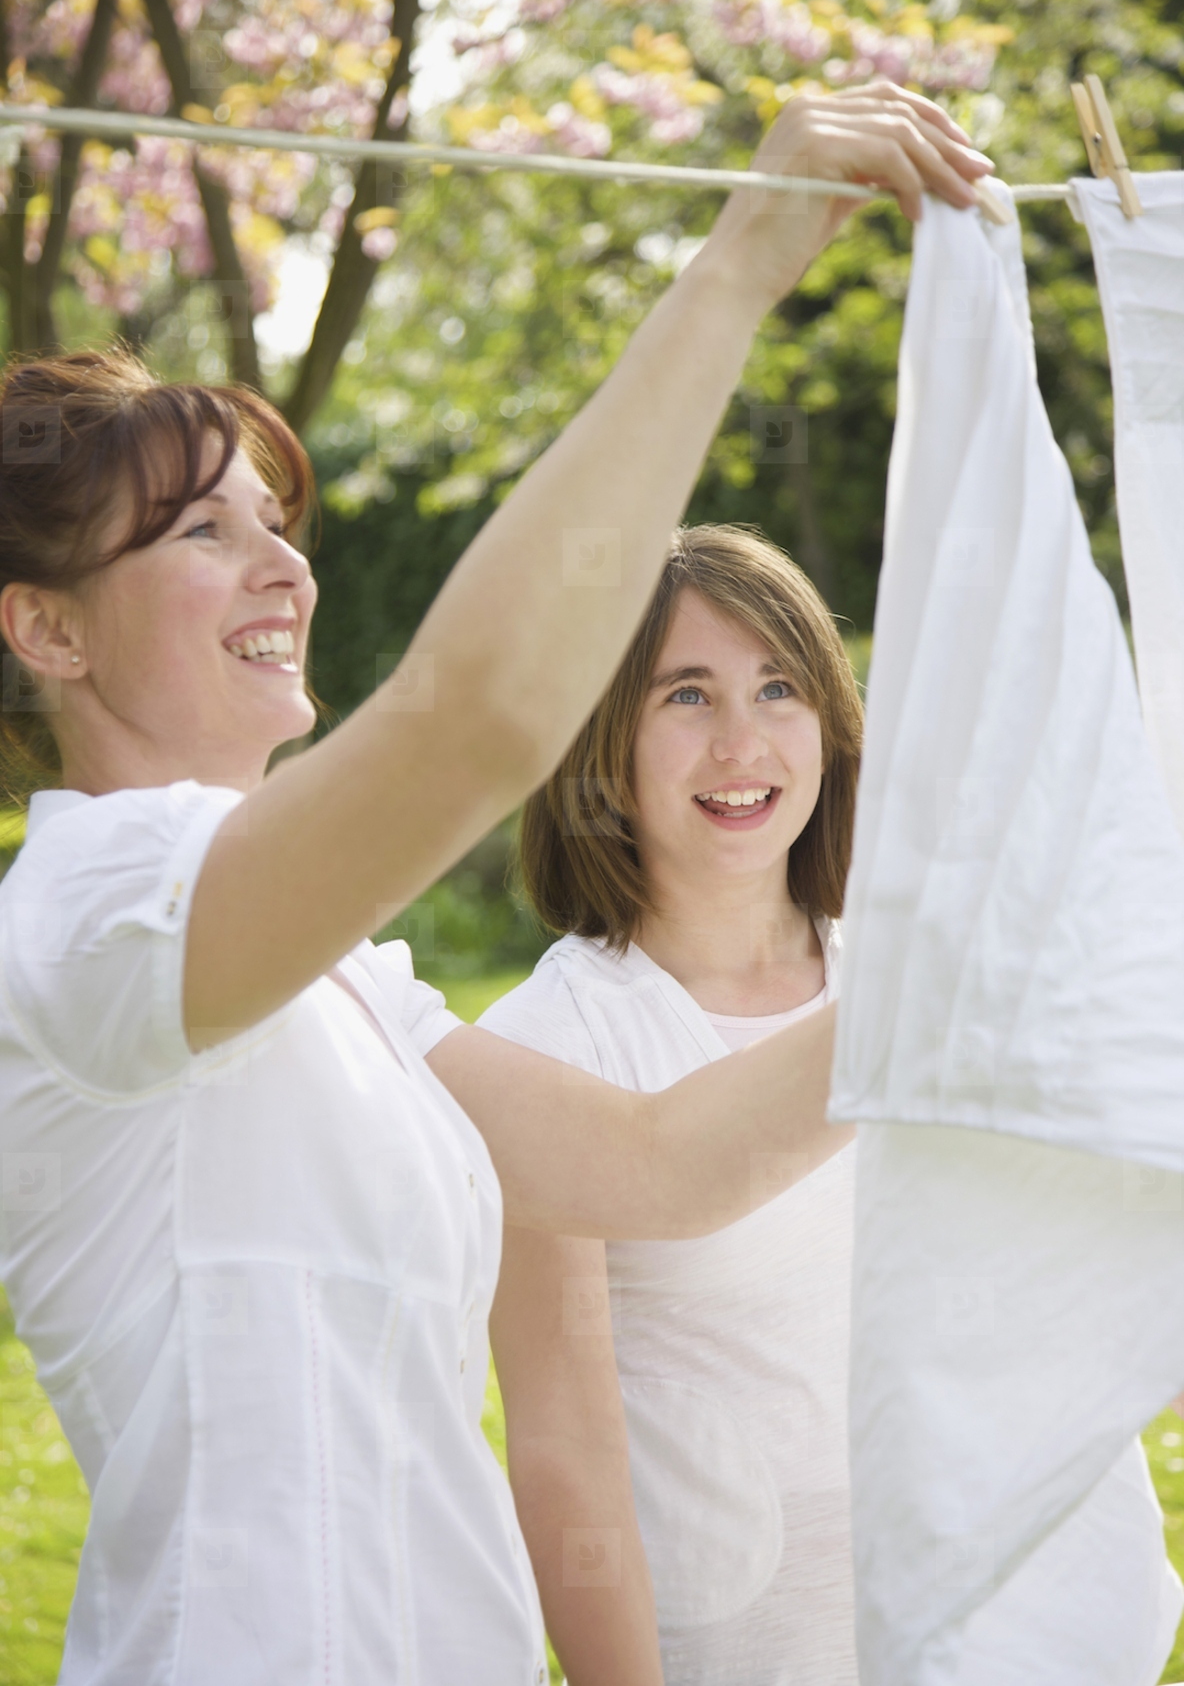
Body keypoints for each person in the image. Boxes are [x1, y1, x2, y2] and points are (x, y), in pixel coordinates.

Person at [0, 85, 993, 1683]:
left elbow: (660, 1164)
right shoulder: (90, 921)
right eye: (201, 533)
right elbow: (477, 719)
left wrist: (970, 940)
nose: (286, 566)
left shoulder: (343, 978)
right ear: (47, 629)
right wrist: (733, 265)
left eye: (278, 521)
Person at [481, 524, 862, 1685]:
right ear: (603, 745)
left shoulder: (904, 972)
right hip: (737, 1648)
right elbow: (560, 1444)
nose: (741, 741)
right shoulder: (551, 1045)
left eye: (777, 685)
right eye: (685, 694)